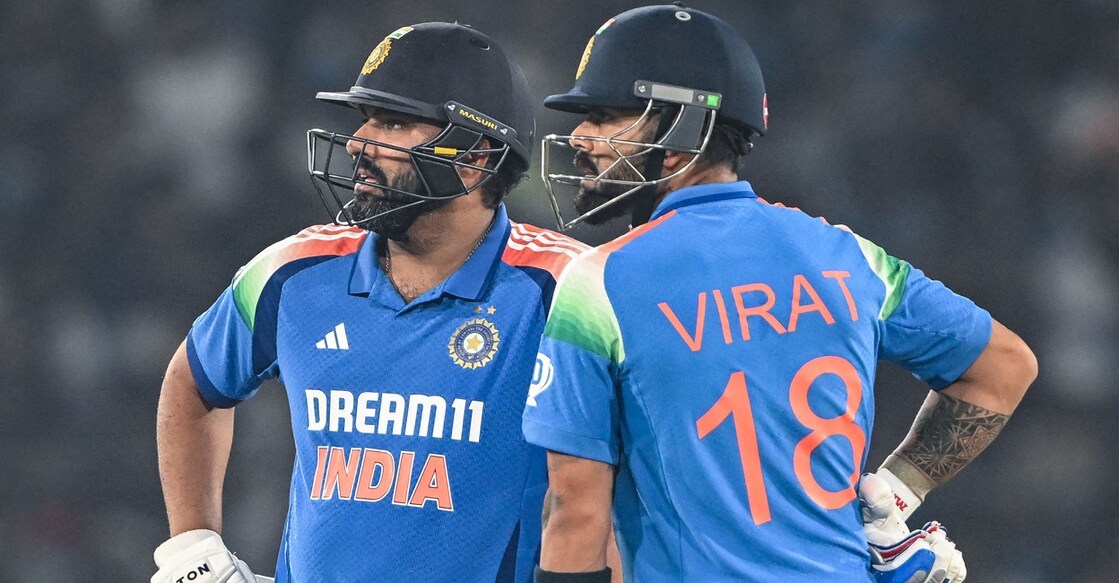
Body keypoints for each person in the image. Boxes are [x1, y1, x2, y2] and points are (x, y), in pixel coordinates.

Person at [522, 4, 1037, 582]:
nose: (580, 136)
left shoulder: (599, 283)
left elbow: (575, 510)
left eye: (603, 116)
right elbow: (1005, 366)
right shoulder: (847, 257)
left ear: (680, 133)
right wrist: (894, 493)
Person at [152, 22, 587, 583]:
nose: (358, 142)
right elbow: (192, 384)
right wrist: (192, 549)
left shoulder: (566, 289)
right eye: (365, 119)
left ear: (475, 156)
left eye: (394, 122)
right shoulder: (293, 272)